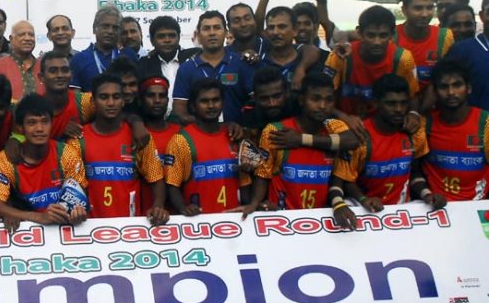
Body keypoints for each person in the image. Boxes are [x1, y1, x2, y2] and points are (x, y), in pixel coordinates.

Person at [236, 72, 350, 215]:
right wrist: (255, 204)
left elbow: (351, 141)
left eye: (277, 96)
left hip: (320, 217)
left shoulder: (331, 124)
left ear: (288, 94)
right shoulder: (259, 123)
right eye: (265, 98)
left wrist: (301, 139)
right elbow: (263, 173)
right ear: (255, 98)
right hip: (281, 213)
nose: (272, 103)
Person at [66, 74, 169, 224]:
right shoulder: (78, 140)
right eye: (104, 97)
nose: (110, 103)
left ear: (122, 102)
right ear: (93, 102)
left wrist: (158, 206)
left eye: (116, 97)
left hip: (130, 227)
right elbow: (74, 187)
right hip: (90, 228)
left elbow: (156, 178)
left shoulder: (138, 137)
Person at [330, 74, 429, 227]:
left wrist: (427, 195)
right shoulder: (359, 135)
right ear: (376, 103)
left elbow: (415, 172)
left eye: (403, 103)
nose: (399, 109)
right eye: (391, 103)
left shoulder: (415, 132)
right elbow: (346, 180)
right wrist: (364, 199)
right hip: (363, 207)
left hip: (401, 209)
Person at [0, 94, 89, 231]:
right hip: (30, 241)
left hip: (64, 235)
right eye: (32, 123)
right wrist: (39, 217)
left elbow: (79, 197)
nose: (39, 129)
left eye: (44, 121)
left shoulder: (67, 153)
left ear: (51, 123)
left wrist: (78, 213)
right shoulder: (4, 160)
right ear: (20, 127)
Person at [164, 78, 248, 215]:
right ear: (192, 106)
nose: (211, 106)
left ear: (223, 103)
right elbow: (172, 185)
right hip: (200, 223)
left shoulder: (234, 135)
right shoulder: (181, 140)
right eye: (204, 101)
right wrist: (183, 208)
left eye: (216, 100)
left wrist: (252, 206)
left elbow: (244, 182)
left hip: (235, 220)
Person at [324, 5, 419, 117]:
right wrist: (345, 118)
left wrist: (413, 114)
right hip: (345, 123)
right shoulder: (341, 56)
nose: (377, 42)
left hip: (387, 123)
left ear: (392, 34)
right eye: (371, 35)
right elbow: (323, 98)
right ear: (359, 33)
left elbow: (413, 96)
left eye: (383, 35)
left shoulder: (403, 59)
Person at [418, 58, 489, 202]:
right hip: (435, 207)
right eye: (444, 87)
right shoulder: (425, 125)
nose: (451, 92)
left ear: (468, 88)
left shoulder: (486, 123)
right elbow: (413, 169)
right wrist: (426, 194)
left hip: (476, 208)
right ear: (435, 91)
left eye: (457, 85)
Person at [172, 11, 254, 125]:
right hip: (200, 137)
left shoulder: (241, 63)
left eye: (217, 28)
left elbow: (255, 100)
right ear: (199, 35)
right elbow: (179, 109)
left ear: (226, 32)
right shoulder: (186, 68)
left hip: (236, 134)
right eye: (206, 28)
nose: (212, 33)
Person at [395, 0, 453, 88]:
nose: (425, 14)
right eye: (418, 8)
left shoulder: (444, 37)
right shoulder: (391, 37)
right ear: (404, 10)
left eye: (430, 8)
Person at [138, 75, 181, 212]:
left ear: (167, 100)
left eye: (162, 96)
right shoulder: (136, 135)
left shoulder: (181, 133)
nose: (157, 100)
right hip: (144, 215)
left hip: (181, 215)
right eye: (151, 95)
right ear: (141, 100)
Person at [137, 16, 199, 106]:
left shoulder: (193, 59)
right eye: (161, 36)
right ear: (152, 41)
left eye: (172, 35)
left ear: (178, 38)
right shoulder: (143, 65)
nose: (167, 40)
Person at [71, 5, 136, 91]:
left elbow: (136, 92)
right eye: (105, 26)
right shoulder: (79, 59)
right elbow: (75, 96)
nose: (110, 31)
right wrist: (96, 100)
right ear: (94, 28)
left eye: (115, 28)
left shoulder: (129, 55)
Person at [40, 51, 94, 141]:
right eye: (53, 71)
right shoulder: (34, 108)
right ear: (41, 77)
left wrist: (85, 130)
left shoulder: (85, 102)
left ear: (71, 75)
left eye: (65, 70)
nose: (60, 75)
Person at [446, 1, 489, 110]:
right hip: (477, 123)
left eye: (467, 24)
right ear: (482, 15)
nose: (462, 29)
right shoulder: (460, 49)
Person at [260, 6, 320, 84]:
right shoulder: (259, 62)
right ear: (266, 31)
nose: (275, 32)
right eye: (271, 27)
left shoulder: (309, 61)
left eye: (282, 27)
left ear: (295, 30)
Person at [0, 20, 45, 101]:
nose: (27, 38)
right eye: (22, 35)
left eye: (31, 35)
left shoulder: (44, 66)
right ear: (11, 39)